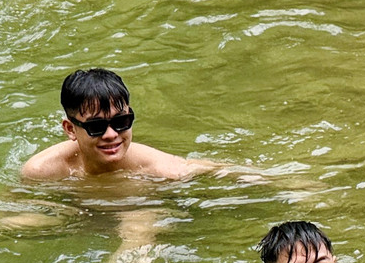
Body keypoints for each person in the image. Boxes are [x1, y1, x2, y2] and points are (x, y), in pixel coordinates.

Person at [20, 68, 218, 181]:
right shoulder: (42, 170)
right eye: (96, 126)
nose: (111, 134)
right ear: (70, 129)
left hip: (138, 206)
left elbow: (210, 170)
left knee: (138, 225)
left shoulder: (156, 168)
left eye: (121, 122)